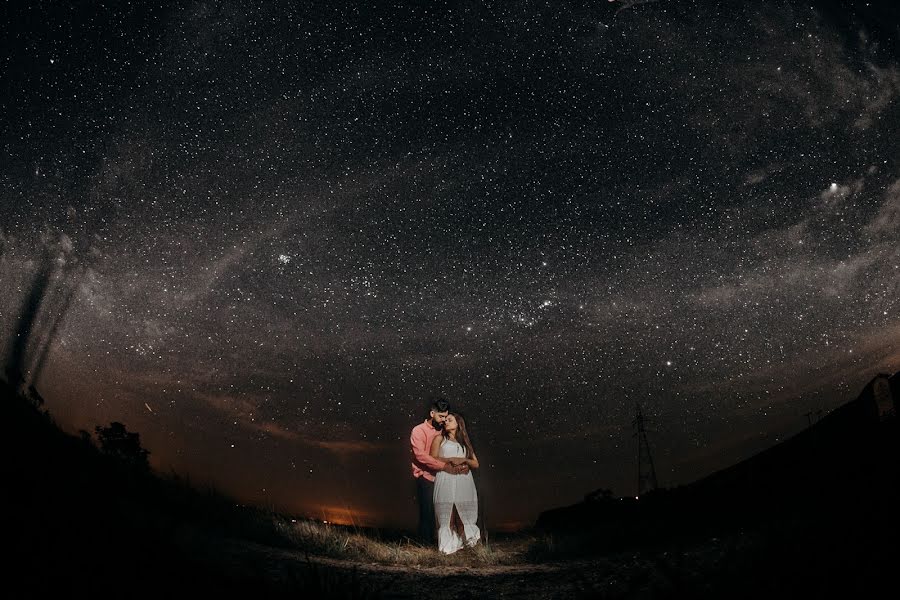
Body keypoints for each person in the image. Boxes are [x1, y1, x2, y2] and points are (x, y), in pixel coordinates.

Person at [410, 398, 468, 545]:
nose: (443, 420)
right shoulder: (418, 431)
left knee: (445, 513)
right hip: (426, 477)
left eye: (445, 416)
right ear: (432, 413)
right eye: (441, 416)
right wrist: (443, 466)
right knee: (427, 513)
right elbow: (420, 456)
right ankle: (424, 546)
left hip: (445, 478)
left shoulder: (445, 430)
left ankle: (446, 544)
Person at [430, 412, 480, 554]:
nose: (446, 421)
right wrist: (451, 460)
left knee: (464, 516)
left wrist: (464, 461)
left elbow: (476, 463)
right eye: (445, 420)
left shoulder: (464, 441)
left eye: (449, 419)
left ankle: (470, 546)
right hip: (445, 477)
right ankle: (448, 549)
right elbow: (433, 458)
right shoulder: (439, 439)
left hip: (464, 480)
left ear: (458, 423)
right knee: (447, 515)